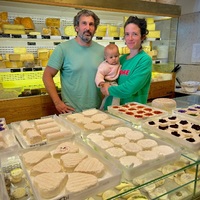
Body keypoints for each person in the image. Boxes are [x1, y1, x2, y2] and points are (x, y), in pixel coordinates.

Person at [42, 10, 104, 113]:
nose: (87, 28)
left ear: (95, 29)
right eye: (84, 23)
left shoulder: (102, 51)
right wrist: (57, 102)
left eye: (91, 24)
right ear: (76, 27)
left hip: (98, 111)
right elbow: (47, 75)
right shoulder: (62, 49)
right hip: (71, 112)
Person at [100, 16, 152, 110]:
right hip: (116, 110)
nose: (130, 38)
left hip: (134, 112)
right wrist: (103, 83)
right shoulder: (122, 59)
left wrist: (108, 89)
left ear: (143, 36)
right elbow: (111, 79)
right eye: (127, 34)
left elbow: (129, 88)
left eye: (135, 34)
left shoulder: (144, 60)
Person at [95, 43, 121, 109]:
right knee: (115, 96)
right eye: (111, 57)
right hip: (108, 83)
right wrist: (101, 83)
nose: (114, 59)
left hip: (115, 82)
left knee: (111, 98)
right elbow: (99, 74)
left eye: (116, 56)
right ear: (106, 58)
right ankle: (113, 108)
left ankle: (108, 107)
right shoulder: (105, 66)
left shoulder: (118, 63)